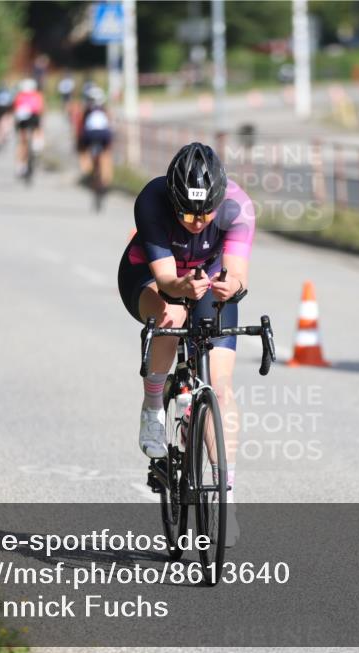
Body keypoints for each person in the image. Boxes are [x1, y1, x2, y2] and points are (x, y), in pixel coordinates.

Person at [117, 143, 255, 540]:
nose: (196, 222)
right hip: (150, 277)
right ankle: (153, 405)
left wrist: (231, 284)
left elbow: (239, 272)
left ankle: (225, 497)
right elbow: (167, 281)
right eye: (188, 214)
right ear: (174, 202)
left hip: (207, 278)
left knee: (222, 388)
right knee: (172, 315)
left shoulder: (238, 207)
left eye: (205, 214)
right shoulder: (152, 201)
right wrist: (183, 286)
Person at [77, 85, 114, 187]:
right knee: (106, 154)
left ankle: (87, 170)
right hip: (104, 134)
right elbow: (110, 123)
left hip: (90, 134)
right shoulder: (104, 109)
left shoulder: (87, 110)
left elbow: (82, 125)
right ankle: (107, 179)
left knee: (84, 149)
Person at [12, 78, 45, 177]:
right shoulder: (37, 95)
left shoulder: (19, 96)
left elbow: (15, 109)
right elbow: (40, 109)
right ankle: (37, 143)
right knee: (37, 128)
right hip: (33, 118)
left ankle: (20, 165)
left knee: (22, 141)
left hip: (22, 119)